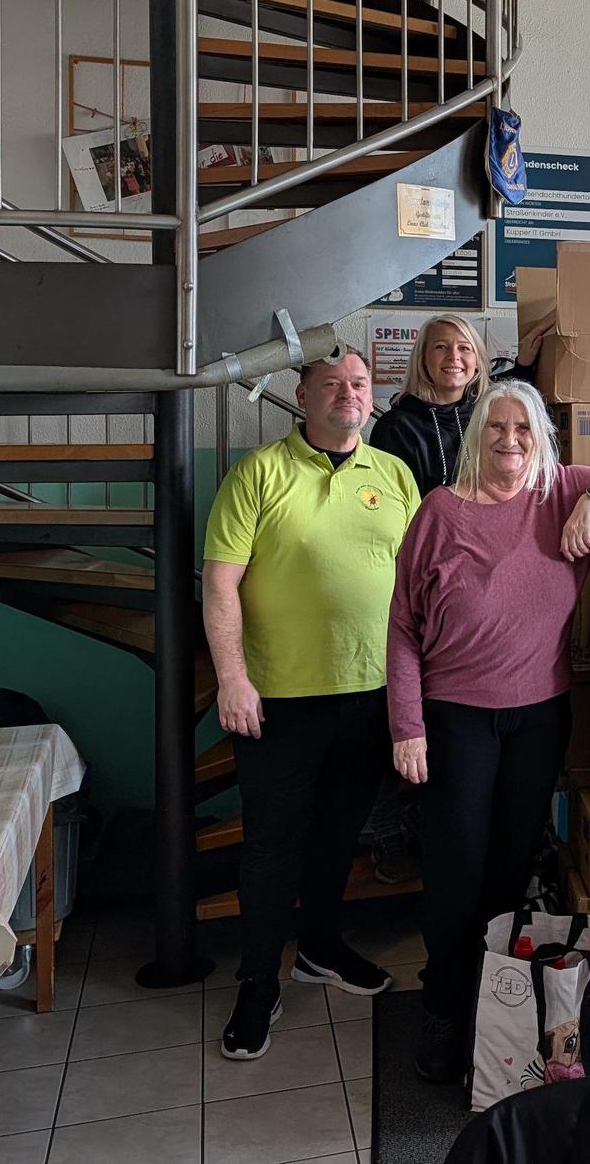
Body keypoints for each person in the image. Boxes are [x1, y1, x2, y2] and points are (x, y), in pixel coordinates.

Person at [385, 379, 590, 1083]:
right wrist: (408, 725)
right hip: (454, 718)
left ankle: (496, 1010)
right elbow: (400, 628)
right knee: (454, 872)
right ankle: (443, 1008)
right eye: (495, 427)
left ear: (540, 437)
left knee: (509, 874)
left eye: (522, 428)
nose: (509, 440)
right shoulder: (439, 512)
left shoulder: (558, 491)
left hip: (539, 717)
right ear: (475, 436)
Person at [201, 345, 421, 1061]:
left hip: (370, 694)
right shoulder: (258, 473)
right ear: (302, 397)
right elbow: (220, 583)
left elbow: (421, 587)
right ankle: (258, 980)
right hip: (279, 701)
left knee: (340, 836)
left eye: (358, 383)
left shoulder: (392, 473)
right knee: (270, 847)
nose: (348, 393)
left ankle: (320, 947)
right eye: (331, 384)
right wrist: (231, 677)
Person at [369, 312, 555, 495]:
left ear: (477, 362)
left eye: (464, 348)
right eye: (441, 347)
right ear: (423, 358)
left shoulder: (488, 414)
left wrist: (524, 364)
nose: (453, 356)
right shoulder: (395, 428)